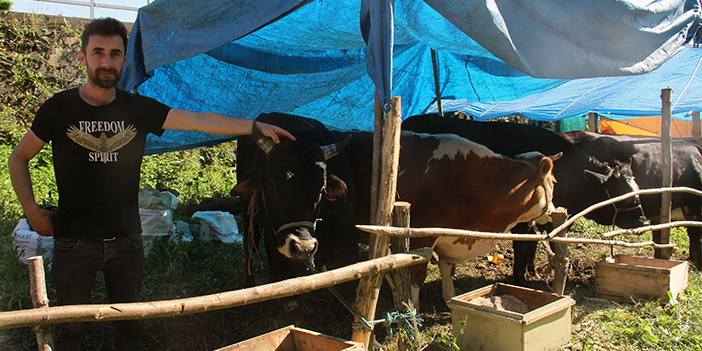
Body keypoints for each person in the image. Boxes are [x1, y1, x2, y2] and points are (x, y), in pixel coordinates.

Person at [7, 17, 294, 351]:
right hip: (73, 243)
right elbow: (17, 158)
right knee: (70, 331)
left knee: (128, 331)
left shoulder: (137, 109)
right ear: (83, 56)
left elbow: (199, 120)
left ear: (124, 59)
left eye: (115, 54)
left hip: (127, 243)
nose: (106, 61)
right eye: (98, 52)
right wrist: (32, 210)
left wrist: (254, 126)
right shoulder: (59, 109)